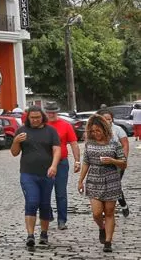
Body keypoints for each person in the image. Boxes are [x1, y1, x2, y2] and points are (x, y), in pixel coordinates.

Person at [11, 106, 60, 248]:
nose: (35, 120)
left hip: (47, 174)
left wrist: (54, 166)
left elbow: (57, 150)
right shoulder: (22, 131)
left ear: (42, 117)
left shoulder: (50, 131)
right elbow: (14, 153)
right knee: (32, 202)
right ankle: (30, 235)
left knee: (44, 204)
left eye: (37, 117)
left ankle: (44, 234)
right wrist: (15, 141)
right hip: (28, 173)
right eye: (32, 118)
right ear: (28, 118)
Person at [78, 114, 127, 253]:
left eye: (98, 130)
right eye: (92, 131)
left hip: (111, 181)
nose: (95, 133)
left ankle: (108, 242)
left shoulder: (114, 144)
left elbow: (123, 164)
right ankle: (102, 227)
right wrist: (80, 180)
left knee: (110, 212)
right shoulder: (89, 144)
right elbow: (86, 162)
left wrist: (112, 161)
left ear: (104, 129)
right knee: (96, 213)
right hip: (94, 181)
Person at [45, 101, 81, 230]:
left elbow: (74, 143)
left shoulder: (65, 125)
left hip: (61, 163)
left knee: (61, 193)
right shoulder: (41, 125)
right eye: (49, 112)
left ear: (57, 112)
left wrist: (77, 161)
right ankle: (47, 216)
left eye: (53, 112)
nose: (51, 114)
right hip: (44, 163)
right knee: (44, 192)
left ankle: (62, 220)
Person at [98, 110, 130, 218]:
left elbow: (125, 144)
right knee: (103, 185)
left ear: (112, 119)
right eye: (105, 119)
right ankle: (103, 209)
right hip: (101, 164)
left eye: (109, 119)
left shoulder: (118, 130)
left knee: (114, 185)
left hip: (116, 163)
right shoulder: (97, 130)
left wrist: (123, 158)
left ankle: (123, 205)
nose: (107, 121)